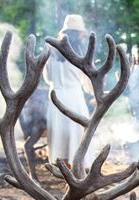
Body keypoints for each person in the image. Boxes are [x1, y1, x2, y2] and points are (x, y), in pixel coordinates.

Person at [43, 14, 92, 168]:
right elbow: (87, 80)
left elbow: (47, 76)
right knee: (76, 136)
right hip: (74, 97)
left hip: (55, 96)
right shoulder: (80, 51)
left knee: (59, 138)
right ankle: (76, 172)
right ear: (78, 33)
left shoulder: (51, 49)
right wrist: (93, 92)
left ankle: (64, 171)